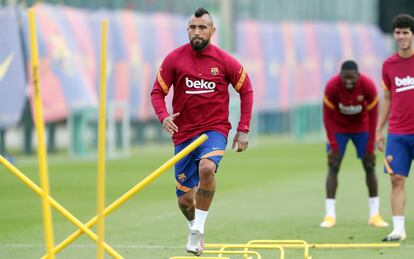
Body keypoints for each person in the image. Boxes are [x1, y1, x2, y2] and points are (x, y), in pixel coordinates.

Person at [150, 7, 253, 255]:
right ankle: (193, 225)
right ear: (187, 30)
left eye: (202, 27)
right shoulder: (174, 59)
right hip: (184, 134)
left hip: (214, 130)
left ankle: (197, 231)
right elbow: (157, 92)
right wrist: (163, 116)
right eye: (193, 27)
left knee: (207, 168)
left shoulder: (224, 61)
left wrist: (243, 129)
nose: (197, 32)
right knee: (185, 202)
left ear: (212, 31)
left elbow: (246, 90)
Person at [320, 60, 388, 228]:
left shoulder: (368, 86)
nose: (348, 81)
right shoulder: (332, 86)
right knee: (333, 165)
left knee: (369, 165)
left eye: (352, 78)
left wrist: (370, 145)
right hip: (338, 128)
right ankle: (330, 215)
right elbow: (327, 117)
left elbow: (373, 117)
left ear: (358, 75)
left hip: (362, 128)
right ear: (340, 76)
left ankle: (374, 215)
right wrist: (334, 145)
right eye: (345, 78)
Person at [376, 14, 414, 242]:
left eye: (406, 32)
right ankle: (398, 229)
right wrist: (379, 129)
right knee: (396, 179)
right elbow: (387, 98)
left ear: (413, 34)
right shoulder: (388, 65)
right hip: (398, 133)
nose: (401, 37)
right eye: (398, 32)